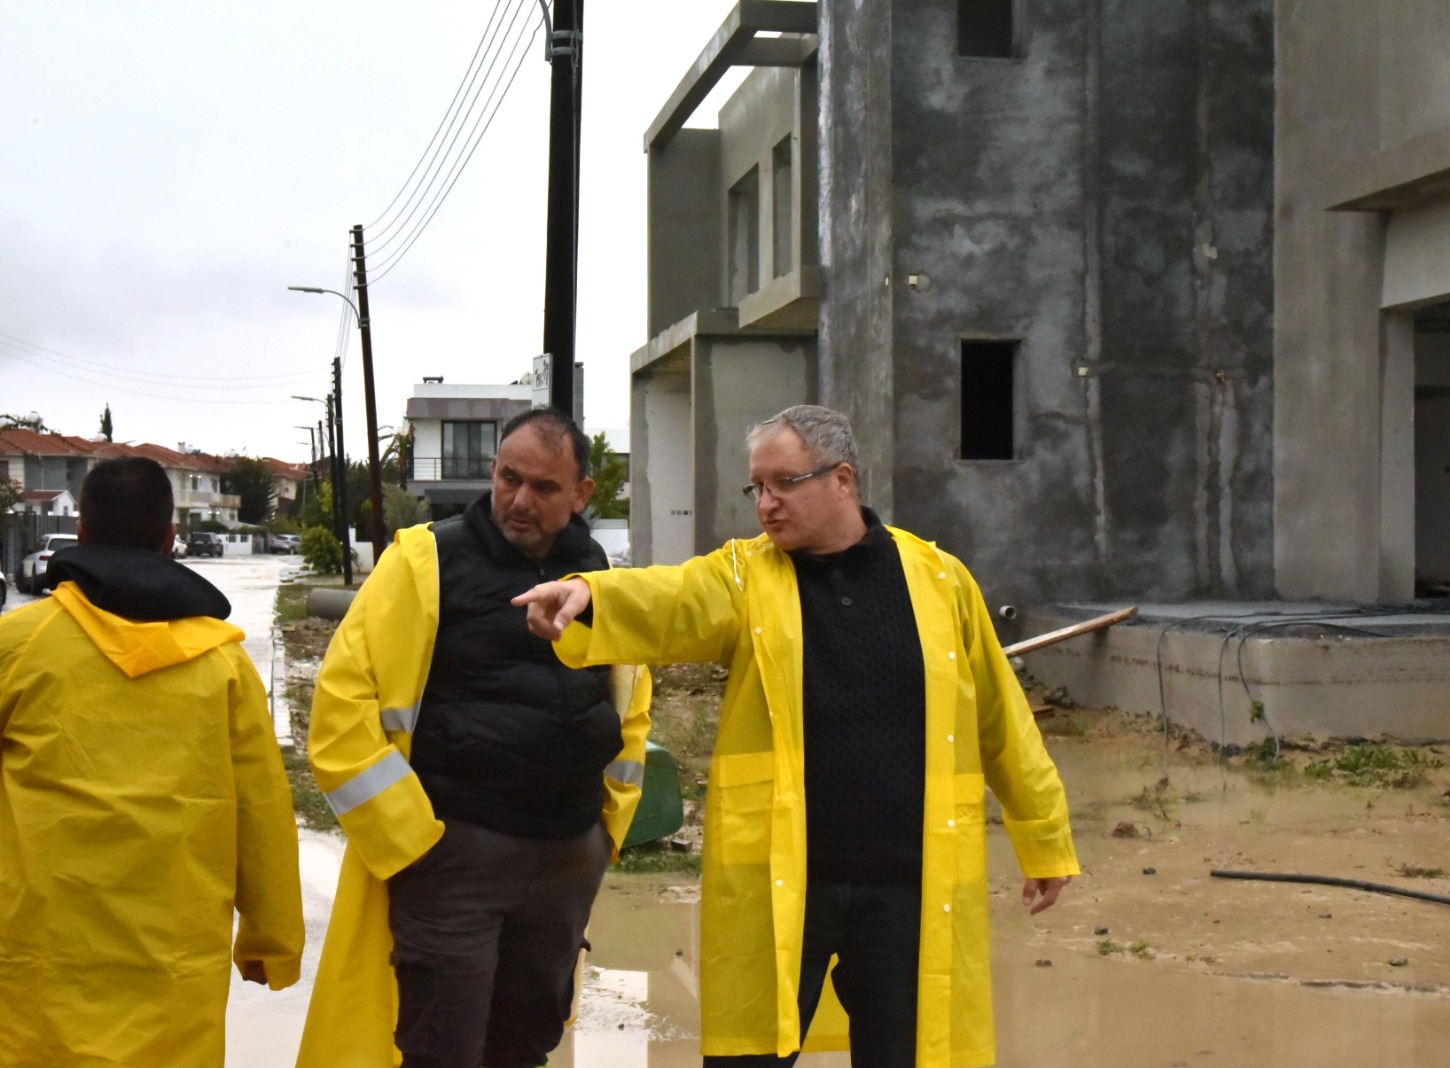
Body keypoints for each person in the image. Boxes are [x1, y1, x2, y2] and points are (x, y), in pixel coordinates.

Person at [517, 404, 1079, 1068]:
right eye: (757, 487)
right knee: (753, 1054)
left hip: (910, 887)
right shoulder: (745, 576)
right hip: (787, 882)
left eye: (784, 483)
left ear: (842, 479)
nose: (766, 504)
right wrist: (591, 594)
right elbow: (673, 598)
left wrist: (1044, 841)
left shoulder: (937, 579)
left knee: (913, 1053)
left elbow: (1001, 719)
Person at [296, 408, 652, 1068]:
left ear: (581, 495)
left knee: (526, 1046)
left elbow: (630, 702)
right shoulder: (427, 560)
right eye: (507, 478)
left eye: (544, 488)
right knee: (442, 1049)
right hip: (454, 856)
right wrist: (413, 846)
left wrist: (605, 833)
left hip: (567, 857)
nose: (519, 500)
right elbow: (341, 709)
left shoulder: (597, 573)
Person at [0, 456, 304, 1067]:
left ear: (81, 532)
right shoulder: (224, 669)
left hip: (37, 970)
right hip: (175, 976)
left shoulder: (19, 649)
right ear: (170, 540)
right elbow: (262, 813)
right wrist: (272, 940)